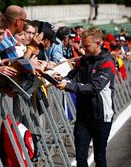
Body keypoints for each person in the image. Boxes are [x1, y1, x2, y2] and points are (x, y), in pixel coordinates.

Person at [55, 27, 116, 167]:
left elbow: (94, 88)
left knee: (99, 157)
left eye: (87, 46)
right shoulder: (83, 60)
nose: (84, 49)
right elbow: (72, 77)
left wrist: (68, 86)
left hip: (102, 116)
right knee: (80, 158)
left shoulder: (107, 62)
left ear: (98, 43)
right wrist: (59, 78)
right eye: (82, 45)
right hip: (83, 116)